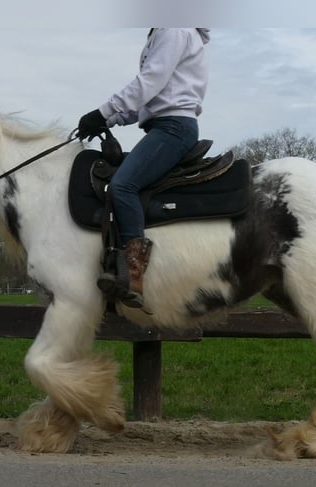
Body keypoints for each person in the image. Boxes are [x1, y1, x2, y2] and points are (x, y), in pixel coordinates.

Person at [77, 28, 211, 309]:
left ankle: (135, 278)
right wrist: (108, 120)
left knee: (123, 186)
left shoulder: (174, 28)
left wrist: (101, 111)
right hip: (165, 125)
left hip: (173, 128)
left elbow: (149, 82)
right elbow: (150, 101)